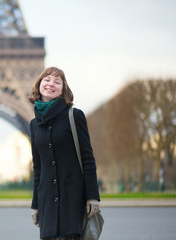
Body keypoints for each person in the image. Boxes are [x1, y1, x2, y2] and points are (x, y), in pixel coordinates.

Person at [28, 67, 100, 240]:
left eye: (57, 81)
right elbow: (38, 168)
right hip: (47, 202)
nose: (51, 84)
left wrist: (92, 197)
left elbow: (88, 159)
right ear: (39, 85)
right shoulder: (34, 125)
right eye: (47, 79)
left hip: (72, 199)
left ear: (63, 89)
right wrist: (36, 205)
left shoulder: (74, 116)